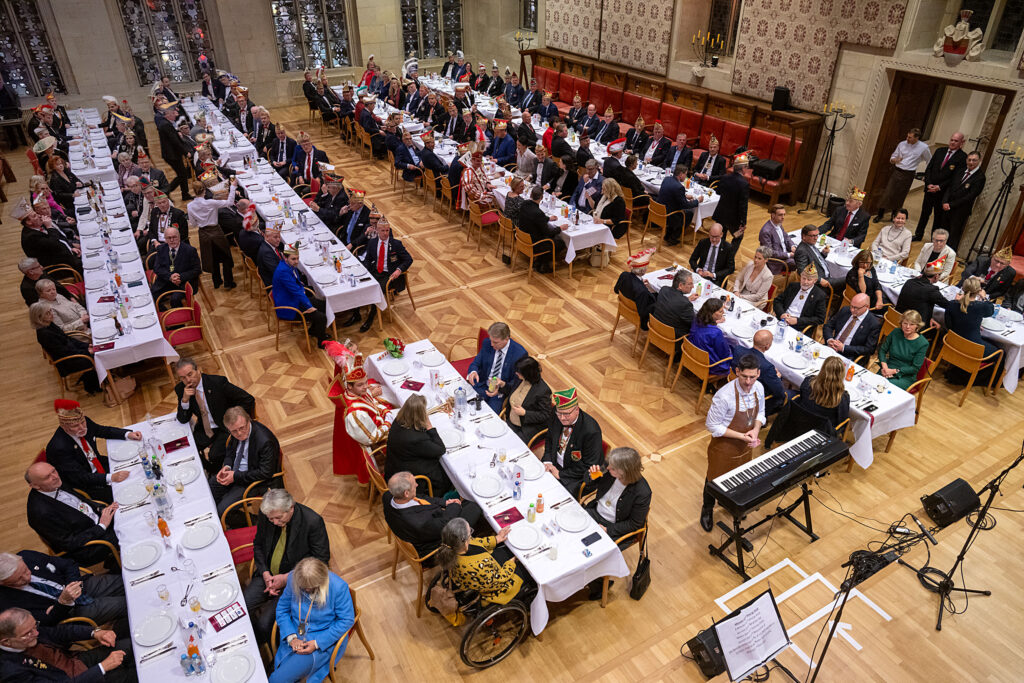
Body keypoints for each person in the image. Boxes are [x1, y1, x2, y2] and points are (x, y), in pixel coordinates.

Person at [246, 489, 329, 644]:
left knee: (265, 624)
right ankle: (252, 644)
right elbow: (258, 545)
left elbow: (322, 561)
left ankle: (268, 650)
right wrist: (264, 572)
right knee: (244, 607)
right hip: (267, 575)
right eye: (272, 519)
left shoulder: (312, 522)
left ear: (291, 507)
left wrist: (286, 578)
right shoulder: (268, 515)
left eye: (279, 518)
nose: (275, 522)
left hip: (296, 582)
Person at [701, 353, 765, 531]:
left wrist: (756, 430)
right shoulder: (724, 396)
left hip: (745, 444)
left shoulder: (759, 388)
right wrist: (741, 436)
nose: (748, 382)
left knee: (740, 476)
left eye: (752, 377)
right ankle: (707, 508)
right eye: (744, 376)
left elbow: (760, 414)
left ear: (758, 374)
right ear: (737, 371)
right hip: (724, 446)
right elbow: (712, 426)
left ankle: (728, 503)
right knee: (714, 478)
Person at [269, 558, 354, 683]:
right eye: (302, 587)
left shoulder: (338, 587)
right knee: (281, 675)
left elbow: (346, 620)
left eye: (309, 588)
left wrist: (317, 643)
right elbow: (282, 609)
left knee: (276, 679)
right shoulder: (293, 577)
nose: (305, 591)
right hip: (295, 633)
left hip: (322, 639)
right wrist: (291, 637)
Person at [0, 551, 127, 633]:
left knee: (127, 582)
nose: (26, 577)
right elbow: (46, 623)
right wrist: (62, 602)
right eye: (18, 579)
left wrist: (71, 586)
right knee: (126, 604)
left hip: (79, 585)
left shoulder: (27, 556)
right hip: (71, 612)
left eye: (26, 571)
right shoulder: (7, 605)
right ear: (3, 583)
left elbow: (68, 564)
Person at [0, 607, 134, 683]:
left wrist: (95, 633)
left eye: (35, 626)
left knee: (131, 645)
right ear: (6, 642)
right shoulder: (11, 672)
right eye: (28, 633)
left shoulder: (29, 631)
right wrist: (102, 668)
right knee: (131, 675)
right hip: (75, 679)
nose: (36, 633)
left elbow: (61, 632)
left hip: (76, 662)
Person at [25, 462, 119, 568]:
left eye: (53, 471)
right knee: (126, 531)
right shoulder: (41, 514)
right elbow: (70, 543)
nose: (55, 476)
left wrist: (100, 509)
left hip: (95, 520)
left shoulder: (54, 483)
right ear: (35, 485)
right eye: (47, 477)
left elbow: (82, 500)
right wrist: (101, 526)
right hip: (86, 546)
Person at [45, 399, 141, 502]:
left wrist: (126, 434)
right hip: (89, 485)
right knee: (128, 495)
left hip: (101, 465)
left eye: (82, 422)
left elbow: (103, 431)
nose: (82, 428)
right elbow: (80, 477)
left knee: (137, 470)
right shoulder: (59, 448)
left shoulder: (85, 423)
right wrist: (111, 477)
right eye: (75, 426)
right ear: (64, 427)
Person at [174, 357, 255, 472]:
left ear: (198, 371)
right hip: (205, 428)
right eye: (183, 378)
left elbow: (248, 399)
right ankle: (209, 471)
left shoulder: (217, 383)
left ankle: (216, 473)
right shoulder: (181, 389)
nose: (188, 380)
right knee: (187, 448)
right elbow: (183, 419)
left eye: (190, 374)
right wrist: (185, 400)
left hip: (225, 427)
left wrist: (237, 419)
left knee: (214, 455)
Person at [383, 472, 483, 560]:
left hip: (429, 525)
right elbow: (445, 524)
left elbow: (422, 498)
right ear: (406, 493)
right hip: (435, 545)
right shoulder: (419, 522)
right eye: (414, 484)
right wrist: (455, 506)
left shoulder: (389, 495)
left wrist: (446, 503)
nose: (417, 485)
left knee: (468, 502)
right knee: (475, 507)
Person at [438, 518, 535, 606]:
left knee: (510, 549)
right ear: (465, 542)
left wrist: (497, 539)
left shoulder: (455, 545)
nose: (471, 535)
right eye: (469, 532)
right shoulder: (471, 566)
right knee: (529, 567)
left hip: (489, 565)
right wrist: (511, 563)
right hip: (498, 585)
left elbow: (478, 542)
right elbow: (498, 580)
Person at [209, 407, 279, 515]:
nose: (239, 433)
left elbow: (265, 472)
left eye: (242, 428)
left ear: (248, 420)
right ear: (229, 429)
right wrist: (227, 466)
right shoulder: (236, 431)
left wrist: (235, 476)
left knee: (222, 510)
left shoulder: (265, 441)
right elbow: (230, 452)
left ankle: (248, 521)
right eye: (234, 431)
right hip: (235, 473)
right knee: (210, 489)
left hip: (252, 481)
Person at [542, 387, 604, 498]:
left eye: (566, 414)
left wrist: (561, 474)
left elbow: (588, 466)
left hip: (575, 477)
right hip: (554, 464)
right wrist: (547, 461)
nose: (562, 418)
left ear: (577, 410)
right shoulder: (555, 415)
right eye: (559, 413)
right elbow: (549, 439)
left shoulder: (591, 431)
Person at [354, 217, 412, 332]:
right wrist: (364, 270)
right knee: (359, 285)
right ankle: (356, 314)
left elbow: (408, 259)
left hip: (389, 275)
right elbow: (368, 259)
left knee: (377, 289)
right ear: (378, 230)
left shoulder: (396, 244)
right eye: (382, 231)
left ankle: (370, 318)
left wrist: (399, 270)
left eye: (387, 231)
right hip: (375, 272)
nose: (385, 233)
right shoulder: (372, 242)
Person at [383, 396, 450, 496]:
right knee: (446, 470)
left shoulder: (398, 420)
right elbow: (440, 449)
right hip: (410, 475)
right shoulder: (415, 439)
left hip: (395, 464)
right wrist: (430, 427)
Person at [585, 447, 652, 545]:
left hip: (615, 527)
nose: (608, 468)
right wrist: (590, 476)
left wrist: (608, 530)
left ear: (625, 472)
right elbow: (588, 482)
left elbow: (634, 524)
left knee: (589, 548)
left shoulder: (642, 492)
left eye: (613, 468)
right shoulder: (609, 466)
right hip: (595, 511)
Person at [943, 276, 1000, 382]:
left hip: (953, 342)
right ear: (978, 291)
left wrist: (972, 323)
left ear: (963, 289)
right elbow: (990, 311)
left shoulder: (952, 304)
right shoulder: (980, 306)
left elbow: (949, 325)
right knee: (1001, 352)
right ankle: (982, 380)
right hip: (971, 346)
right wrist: (984, 297)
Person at [30, 306, 100, 394]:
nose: (51, 314)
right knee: (98, 355)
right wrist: (86, 352)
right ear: (39, 317)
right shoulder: (45, 334)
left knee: (97, 349)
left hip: (73, 353)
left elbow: (68, 339)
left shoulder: (49, 324)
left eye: (50, 311)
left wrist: (86, 346)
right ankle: (97, 383)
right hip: (68, 362)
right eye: (47, 313)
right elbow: (63, 353)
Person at [273, 241, 330, 345]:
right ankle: (322, 343)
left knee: (325, 306)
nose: (296, 261)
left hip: (294, 299)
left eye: (297, 258)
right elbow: (295, 291)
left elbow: (296, 285)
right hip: (289, 305)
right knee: (321, 317)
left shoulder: (287, 265)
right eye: (293, 259)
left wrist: (302, 288)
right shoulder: (283, 271)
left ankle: (314, 330)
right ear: (285, 258)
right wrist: (309, 306)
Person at [466, 322, 528, 414]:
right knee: (463, 406)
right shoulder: (487, 343)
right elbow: (476, 363)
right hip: (482, 385)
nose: (491, 344)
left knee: (490, 418)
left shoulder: (520, 354)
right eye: (491, 340)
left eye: (495, 342)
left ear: (506, 339)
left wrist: (501, 387)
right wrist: (473, 372)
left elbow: (516, 384)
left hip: (500, 394)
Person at [188, 176, 237, 289]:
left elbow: (193, 224)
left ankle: (216, 281)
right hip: (216, 231)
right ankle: (228, 282)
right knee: (225, 256)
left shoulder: (190, 206)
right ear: (204, 191)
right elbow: (229, 202)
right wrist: (233, 187)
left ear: (194, 192)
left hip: (203, 233)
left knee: (211, 256)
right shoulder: (211, 202)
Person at [916, 132, 967, 240]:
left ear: (961, 143)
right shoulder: (940, 151)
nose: (952, 142)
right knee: (924, 213)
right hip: (929, 190)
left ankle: (933, 240)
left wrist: (939, 187)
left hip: (942, 193)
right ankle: (918, 234)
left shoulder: (962, 157)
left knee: (938, 218)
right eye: (952, 140)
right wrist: (928, 183)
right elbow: (929, 168)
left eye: (956, 141)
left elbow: (955, 178)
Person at [875, 128, 932, 224]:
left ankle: (894, 215)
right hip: (897, 171)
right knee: (888, 193)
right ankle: (880, 214)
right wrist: (894, 160)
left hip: (908, 174)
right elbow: (892, 157)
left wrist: (927, 174)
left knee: (900, 196)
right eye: (907, 136)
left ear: (917, 138)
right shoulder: (902, 144)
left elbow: (930, 161)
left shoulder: (924, 147)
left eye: (910, 137)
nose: (907, 139)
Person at [342, 354, 397, 447]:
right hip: (384, 436)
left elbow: (374, 403)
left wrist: (386, 412)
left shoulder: (359, 392)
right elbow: (372, 438)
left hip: (384, 421)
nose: (366, 387)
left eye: (366, 382)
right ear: (349, 386)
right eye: (360, 385)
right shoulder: (355, 413)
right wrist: (388, 423)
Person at [941, 151, 986, 251]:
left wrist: (951, 205)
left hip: (960, 211)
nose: (971, 162)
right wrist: (944, 201)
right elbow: (950, 187)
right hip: (947, 207)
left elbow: (970, 196)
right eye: (969, 160)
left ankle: (948, 256)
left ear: (979, 161)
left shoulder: (980, 177)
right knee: (942, 232)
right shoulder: (960, 171)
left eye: (974, 160)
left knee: (953, 235)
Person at [795, 356, 850, 430]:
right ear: (841, 375)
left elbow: (801, 398)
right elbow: (842, 421)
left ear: (823, 369)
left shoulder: (808, 382)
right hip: (822, 433)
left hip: (799, 423)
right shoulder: (842, 397)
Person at [517, 185, 567, 269]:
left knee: (553, 238)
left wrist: (548, 218)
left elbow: (534, 218)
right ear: (542, 197)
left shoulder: (524, 204)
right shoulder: (538, 213)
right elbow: (548, 233)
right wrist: (560, 228)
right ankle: (544, 263)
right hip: (535, 244)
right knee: (560, 243)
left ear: (531, 195)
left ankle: (541, 260)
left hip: (523, 239)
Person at [150, 226, 201, 308]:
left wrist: (180, 277)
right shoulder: (161, 249)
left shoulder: (190, 250)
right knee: (153, 294)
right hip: (167, 280)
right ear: (165, 239)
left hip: (184, 282)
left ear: (179, 237)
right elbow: (157, 268)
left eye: (174, 237)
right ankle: (164, 313)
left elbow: (197, 270)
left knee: (175, 299)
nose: (172, 240)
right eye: (169, 238)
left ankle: (180, 314)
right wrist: (170, 277)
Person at [878, 310, 929, 390]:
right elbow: (882, 350)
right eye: (905, 323)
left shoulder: (923, 343)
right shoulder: (896, 332)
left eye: (912, 324)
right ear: (901, 323)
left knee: (885, 387)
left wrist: (894, 371)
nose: (907, 327)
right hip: (887, 368)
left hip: (905, 376)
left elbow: (915, 368)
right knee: (872, 382)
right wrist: (885, 367)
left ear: (917, 326)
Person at [822, 293, 882, 361]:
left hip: (849, 356)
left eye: (856, 308)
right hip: (831, 347)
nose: (852, 310)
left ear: (867, 307)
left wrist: (844, 348)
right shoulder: (845, 310)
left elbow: (869, 349)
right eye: (851, 306)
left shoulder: (873, 323)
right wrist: (829, 339)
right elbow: (828, 326)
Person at [155, 101, 192, 201]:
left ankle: (184, 194)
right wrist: (186, 152)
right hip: (172, 155)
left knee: (182, 174)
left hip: (171, 154)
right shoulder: (166, 125)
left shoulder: (165, 123)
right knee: (182, 175)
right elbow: (175, 141)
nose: (175, 115)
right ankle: (166, 191)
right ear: (168, 114)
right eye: (173, 114)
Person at [655, 163, 700, 246]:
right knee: (689, 213)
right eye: (685, 175)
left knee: (682, 211)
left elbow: (671, 194)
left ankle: (667, 235)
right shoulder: (679, 187)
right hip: (669, 215)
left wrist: (685, 196)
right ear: (681, 174)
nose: (686, 177)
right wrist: (697, 201)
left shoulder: (667, 179)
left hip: (660, 210)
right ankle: (673, 238)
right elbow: (685, 205)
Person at [773, 265, 829, 330]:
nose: (805, 282)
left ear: (815, 280)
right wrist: (782, 313)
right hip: (782, 320)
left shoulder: (819, 295)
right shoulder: (793, 286)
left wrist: (797, 321)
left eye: (809, 280)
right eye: (804, 278)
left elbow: (820, 318)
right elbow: (777, 301)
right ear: (800, 277)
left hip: (800, 327)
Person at [614, 248, 657, 329]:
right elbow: (643, 313)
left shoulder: (624, 275)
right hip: (642, 320)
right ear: (643, 271)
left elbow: (616, 290)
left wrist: (640, 284)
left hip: (625, 308)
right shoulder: (642, 291)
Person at [712, 153, 750, 245]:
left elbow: (718, 191)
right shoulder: (744, 184)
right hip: (734, 218)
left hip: (721, 213)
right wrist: (743, 222)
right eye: (747, 167)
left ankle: (720, 254)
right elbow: (743, 205)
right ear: (743, 168)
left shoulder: (725, 177)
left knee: (721, 236)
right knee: (738, 236)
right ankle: (729, 257)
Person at [689, 298, 734, 368]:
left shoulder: (697, 318)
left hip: (692, 354)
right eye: (720, 311)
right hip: (709, 365)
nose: (723, 313)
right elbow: (724, 354)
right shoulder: (716, 332)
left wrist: (716, 321)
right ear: (711, 313)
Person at [759, 204, 796, 275]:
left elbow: (786, 237)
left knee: (804, 253)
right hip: (777, 262)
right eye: (780, 215)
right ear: (773, 215)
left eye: (784, 215)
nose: (783, 217)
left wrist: (792, 247)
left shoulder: (778, 223)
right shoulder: (766, 231)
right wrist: (788, 255)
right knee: (800, 261)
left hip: (785, 253)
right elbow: (770, 253)